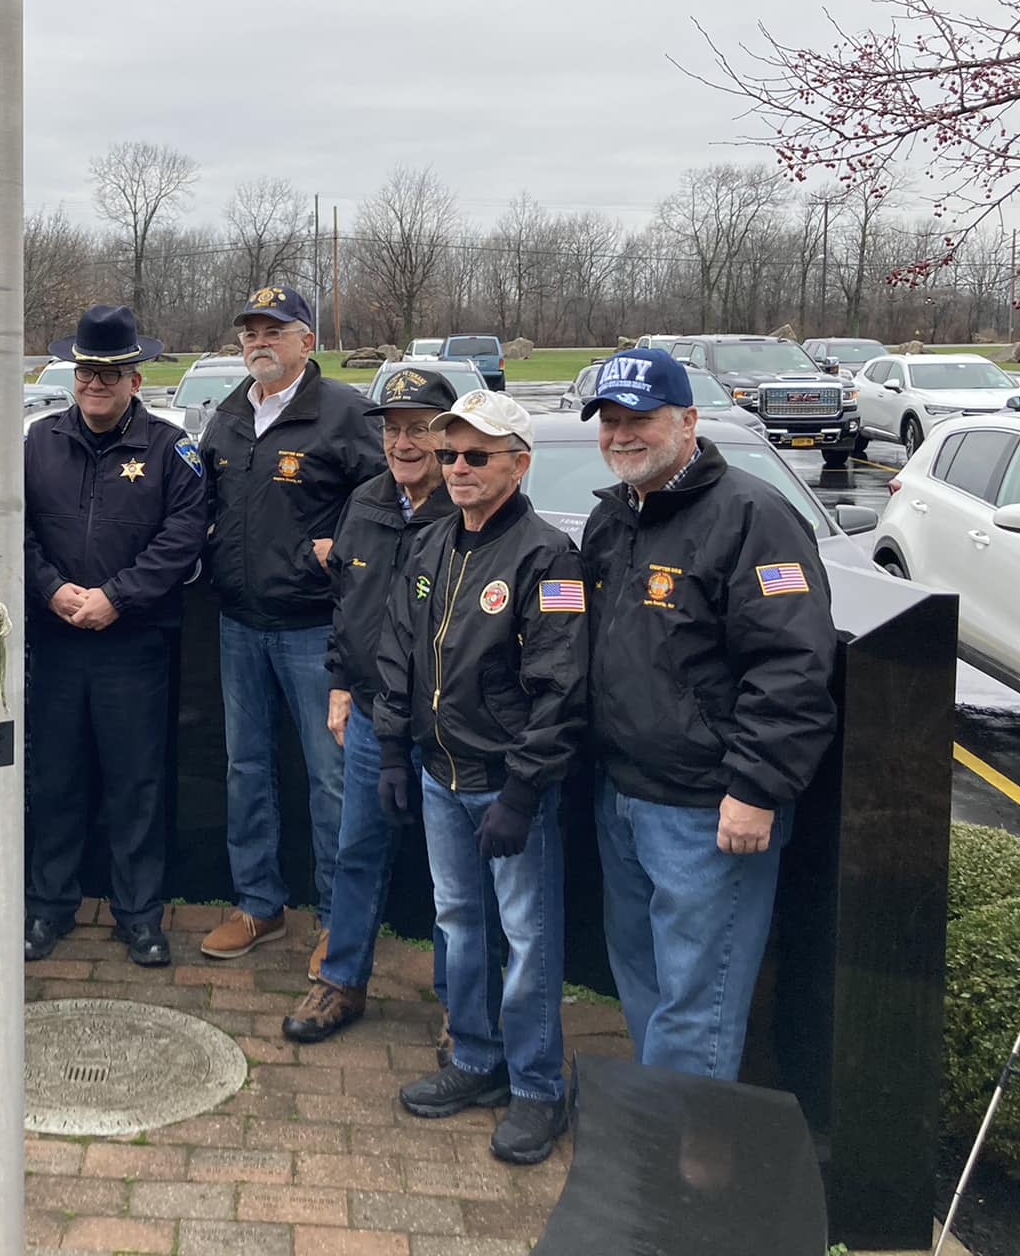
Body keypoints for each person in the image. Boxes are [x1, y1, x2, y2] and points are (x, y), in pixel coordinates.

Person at [578, 347, 835, 1081]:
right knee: (644, 981)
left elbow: (792, 666)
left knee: (700, 1003)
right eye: (612, 420)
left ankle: (682, 1174)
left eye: (643, 420)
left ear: (688, 421)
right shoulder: (614, 520)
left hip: (706, 812)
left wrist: (756, 788)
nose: (624, 435)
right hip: (622, 795)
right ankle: (665, 1135)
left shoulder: (753, 518)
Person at [376, 390, 586, 1165]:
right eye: (451, 453)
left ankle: (536, 1087)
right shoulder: (430, 546)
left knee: (528, 938)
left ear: (518, 465)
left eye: (478, 455)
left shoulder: (547, 556)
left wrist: (524, 793)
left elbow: (561, 686)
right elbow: (399, 650)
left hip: (505, 785)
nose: (458, 467)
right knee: (459, 921)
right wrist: (394, 751)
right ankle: (474, 1058)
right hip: (437, 775)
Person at [197, 286, 384, 972]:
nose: (258, 342)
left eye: (274, 330)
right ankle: (258, 904)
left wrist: (337, 546)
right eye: (249, 331)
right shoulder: (227, 415)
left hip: (315, 629)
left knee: (330, 778)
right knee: (246, 770)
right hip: (240, 623)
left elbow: (389, 498)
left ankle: (341, 919)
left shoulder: (344, 414)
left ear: (308, 341)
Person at [23, 305, 208, 966]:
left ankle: (139, 914)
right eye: (86, 371)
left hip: (134, 646)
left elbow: (183, 537)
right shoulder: (38, 442)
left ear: (136, 378)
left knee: (136, 785)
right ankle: (49, 907)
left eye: (110, 372)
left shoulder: (169, 450)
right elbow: (13, 530)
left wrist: (116, 597)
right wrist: (50, 588)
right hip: (58, 642)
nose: (95, 383)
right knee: (55, 780)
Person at [283, 365, 457, 1043]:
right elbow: (347, 605)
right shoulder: (366, 502)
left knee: (456, 879)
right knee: (357, 851)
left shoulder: (468, 508)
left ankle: (459, 1003)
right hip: (367, 715)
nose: (404, 443)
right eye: (393, 429)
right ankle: (342, 981)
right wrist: (336, 684)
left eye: (420, 429)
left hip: (446, 726)